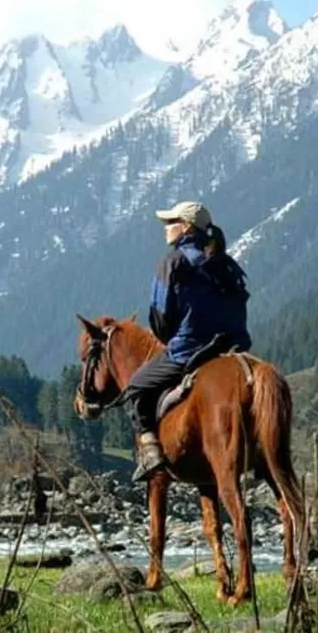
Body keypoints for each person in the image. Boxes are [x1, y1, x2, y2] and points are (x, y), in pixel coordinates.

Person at [125, 200, 252, 482]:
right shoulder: (227, 264)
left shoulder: (173, 262)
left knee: (135, 388)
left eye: (170, 223)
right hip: (233, 346)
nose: (166, 229)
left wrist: (170, 339)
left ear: (185, 227)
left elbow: (160, 315)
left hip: (190, 349)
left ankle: (150, 453)